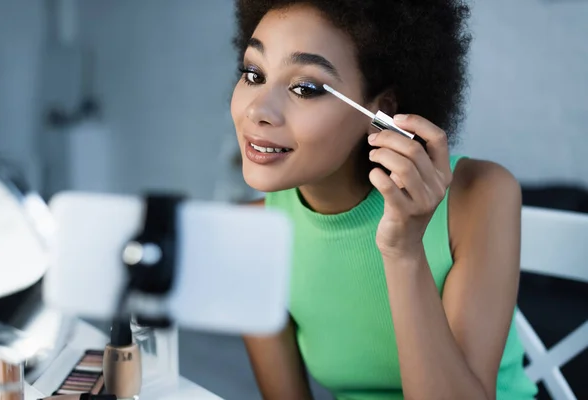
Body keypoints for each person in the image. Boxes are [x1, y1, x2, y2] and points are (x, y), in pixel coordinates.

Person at [230, 1, 538, 399]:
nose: (258, 109)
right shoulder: (253, 235)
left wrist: (404, 250)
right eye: (253, 74)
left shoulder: (479, 195)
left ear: (381, 111)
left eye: (305, 88)